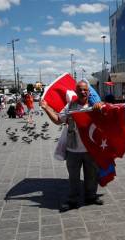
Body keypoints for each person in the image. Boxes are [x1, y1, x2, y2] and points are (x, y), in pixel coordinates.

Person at [40, 80, 103, 212]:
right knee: (73, 177)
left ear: (89, 91)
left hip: (91, 149)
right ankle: (73, 200)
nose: (82, 92)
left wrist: (101, 105)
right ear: (76, 91)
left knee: (91, 176)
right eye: (80, 89)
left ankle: (91, 197)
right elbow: (58, 120)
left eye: (85, 89)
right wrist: (46, 108)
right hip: (73, 149)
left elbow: (108, 113)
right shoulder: (70, 106)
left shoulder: (95, 105)